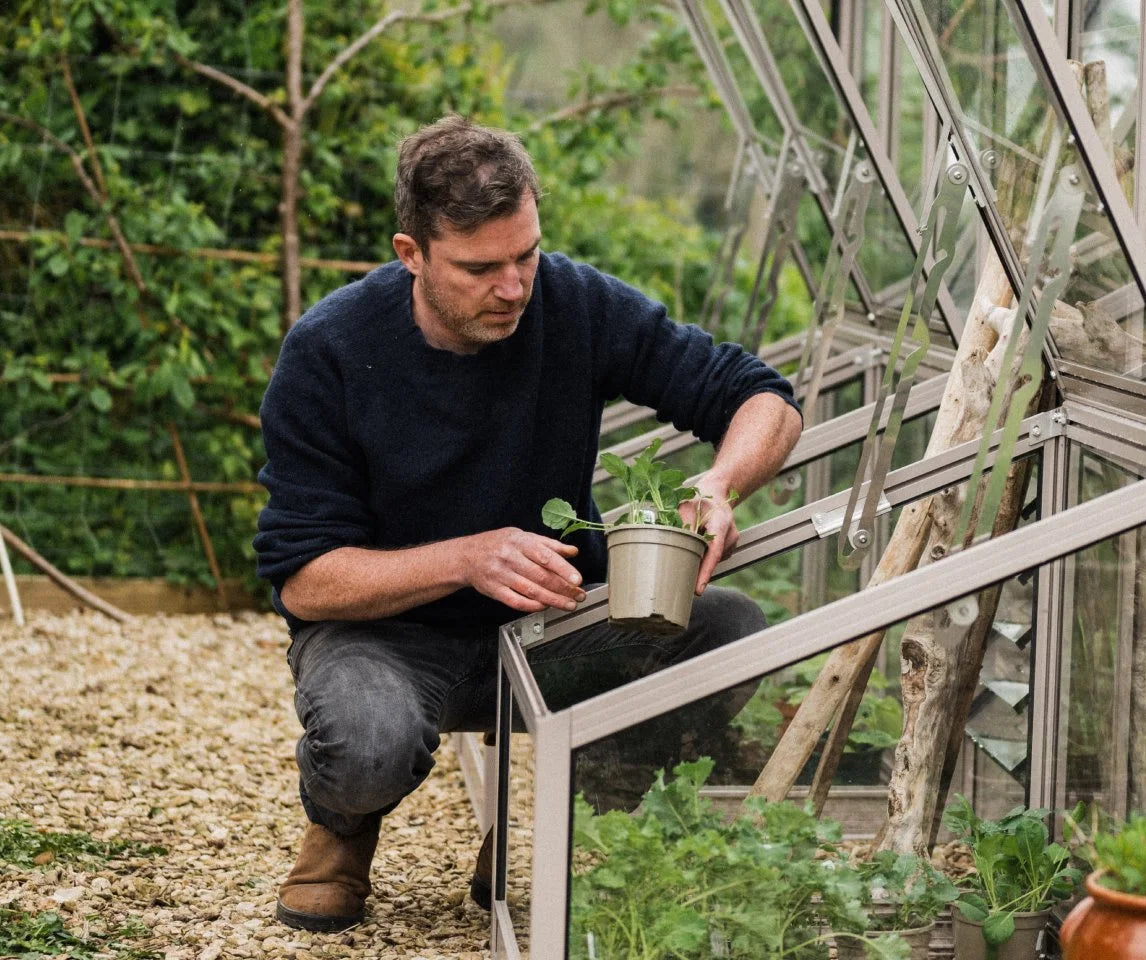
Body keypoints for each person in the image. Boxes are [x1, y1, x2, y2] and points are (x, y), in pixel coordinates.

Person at [253, 114, 802, 933]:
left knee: (728, 630)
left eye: (526, 255)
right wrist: (467, 557)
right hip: (384, 634)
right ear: (413, 255)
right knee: (367, 744)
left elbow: (761, 396)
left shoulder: (571, 301)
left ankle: (555, 828)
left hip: (552, 625)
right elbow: (305, 577)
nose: (514, 288)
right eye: (481, 268)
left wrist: (720, 483)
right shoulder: (330, 349)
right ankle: (343, 825)